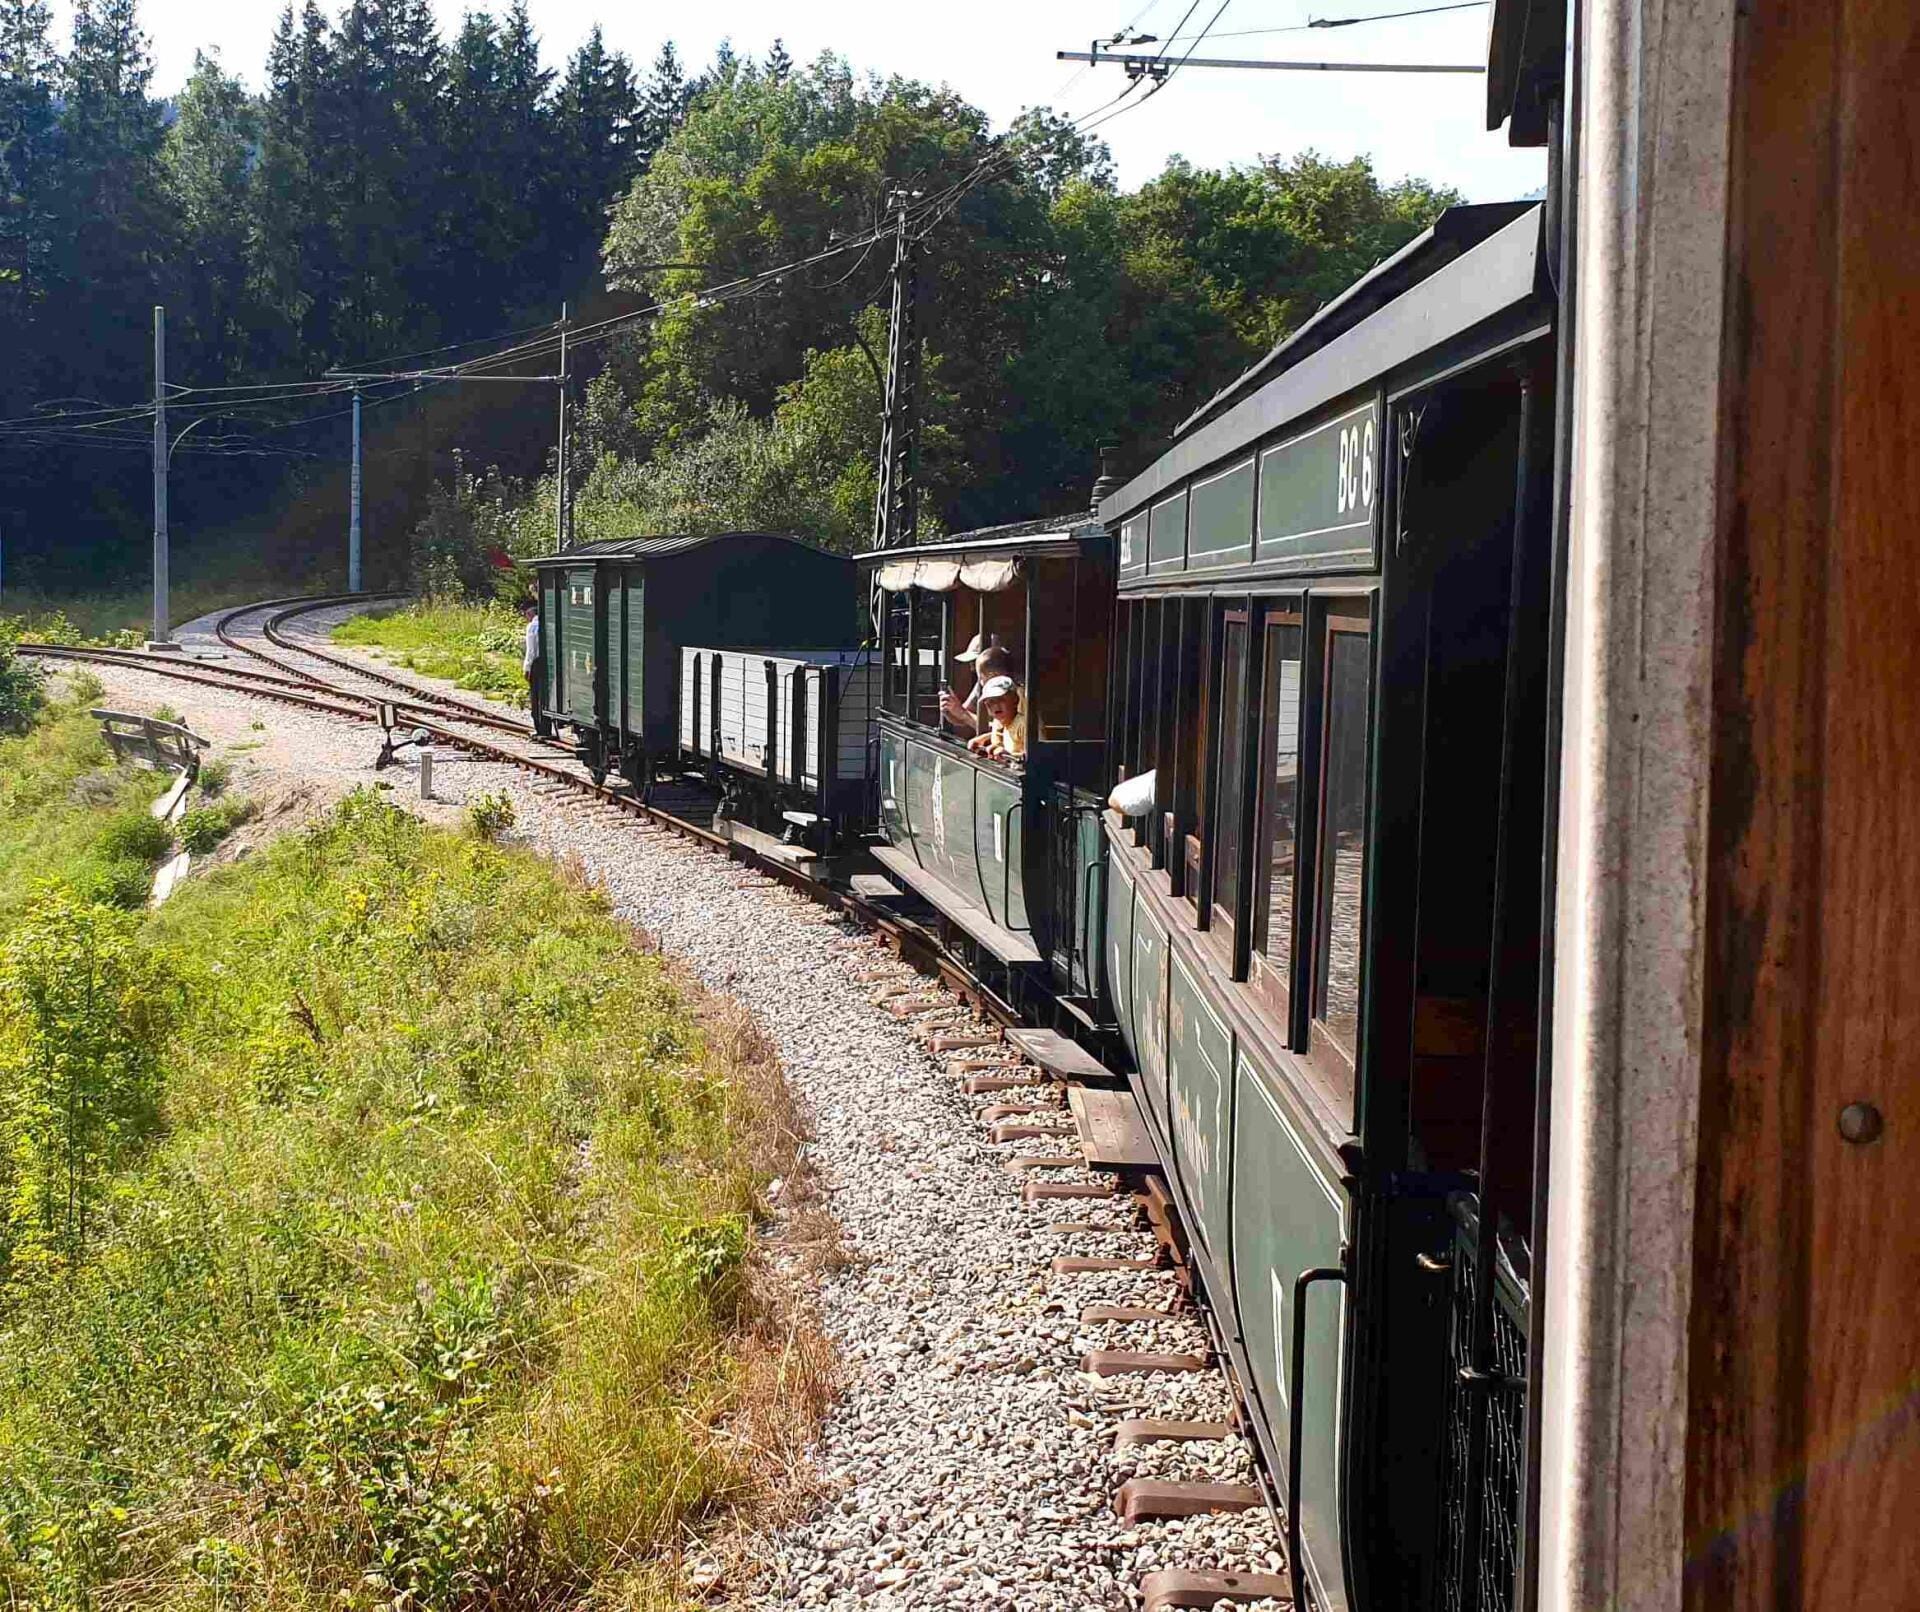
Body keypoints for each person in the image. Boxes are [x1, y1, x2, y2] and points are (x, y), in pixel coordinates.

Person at [940, 634, 1011, 734]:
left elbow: (1005, 732)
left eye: (975, 662)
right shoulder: (982, 682)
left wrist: (962, 714)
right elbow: (962, 718)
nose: (972, 668)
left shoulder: (1011, 688)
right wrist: (949, 710)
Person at [968, 673, 1026, 764]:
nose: (995, 706)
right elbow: (999, 736)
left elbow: (1036, 756)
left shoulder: (1024, 725)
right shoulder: (998, 722)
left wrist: (1010, 755)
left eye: (1000, 700)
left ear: (1015, 700)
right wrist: (981, 739)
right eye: (990, 702)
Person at [522, 599, 552, 738]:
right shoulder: (548, 622)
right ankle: (547, 726)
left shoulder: (532, 626)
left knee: (536, 696)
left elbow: (531, 650)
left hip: (537, 664)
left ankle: (540, 728)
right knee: (547, 695)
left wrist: (526, 668)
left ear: (530, 612)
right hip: (550, 663)